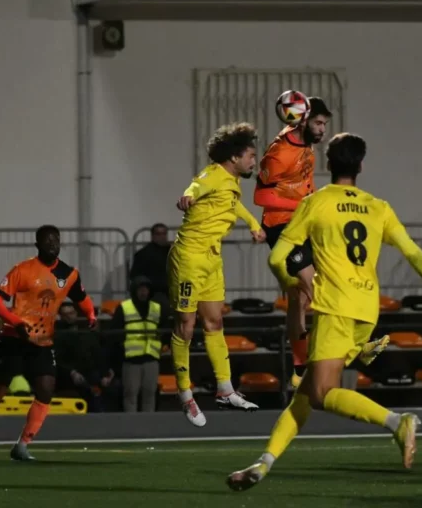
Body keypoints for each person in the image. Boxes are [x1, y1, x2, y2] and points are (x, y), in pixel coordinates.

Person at [226, 132, 422, 491]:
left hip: (335, 306)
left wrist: (294, 284)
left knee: (320, 392)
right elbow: (412, 251)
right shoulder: (378, 206)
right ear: (360, 166)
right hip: (367, 309)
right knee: (305, 394)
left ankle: (397, 421)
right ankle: (264, 463)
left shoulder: (316, 203)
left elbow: (278, 257)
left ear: (327, 164)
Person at [0, 225, 97, 462]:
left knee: (46, 389)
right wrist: (16, 322)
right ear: (37, 245)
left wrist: (90, 315)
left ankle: (22, 445)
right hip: (14, 337)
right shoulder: (23, 269)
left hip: (42, 340)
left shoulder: (68, 274)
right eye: (48, 241)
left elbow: (82, 298)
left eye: (56, 240)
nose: (53, 244)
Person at [170, 122, 267, 427]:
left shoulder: (231, 181)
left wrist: (253, 223)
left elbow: (233, 205)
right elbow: (195, 187)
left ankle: (225, 390)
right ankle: (185, 395)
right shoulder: (212, 174)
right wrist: (187, 197)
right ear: (235, 157)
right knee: (186, 326)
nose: (254, 161)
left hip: (212, 259)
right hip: (189, 258)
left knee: (215, 322)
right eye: (251, 156)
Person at [254, 96, 332, 389]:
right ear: (303, 120)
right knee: (311, 287)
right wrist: (303, 205)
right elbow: (261, 197)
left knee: (299, 298)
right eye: (319, 123)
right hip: (281, 227)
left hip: (303, 223)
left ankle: (300, 366)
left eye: (324, 124)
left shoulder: (307, 145)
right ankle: (336, 351)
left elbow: (304, 184)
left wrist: (313, 204)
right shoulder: (278, 154)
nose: (323, 129)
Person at [110, 276, 163, 412]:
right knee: (130, 395)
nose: (143, 292)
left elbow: (164, 328)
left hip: (151, 358)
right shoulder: (124, 307)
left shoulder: (156, 308)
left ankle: (148, 424)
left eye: (146, 289)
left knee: (150, 395)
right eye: (140, 289)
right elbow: (114, 332)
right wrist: (122, 347)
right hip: (131, 360)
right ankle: (131, 424)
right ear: (134, 290)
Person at [55, 302, 114, 413]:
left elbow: (97, 354)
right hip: (69, 375)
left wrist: (105, 374)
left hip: (90, 373)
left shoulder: (85, 332)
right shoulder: (58, 334)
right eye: (65, 314)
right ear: (61, 316)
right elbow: (58, 360)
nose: (69, 316)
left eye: (71, 313)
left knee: (101, 387)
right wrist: (72, 372)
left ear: (76, 313)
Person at [130, 223, 171, 303]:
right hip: (154, 292)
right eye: (158, 234)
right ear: (152, 236)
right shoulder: (143, 254)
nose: (162, 236)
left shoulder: (173, 252)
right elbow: (135, 275)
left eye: (164, 233)